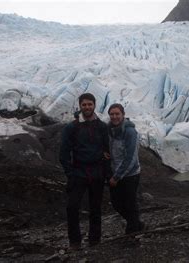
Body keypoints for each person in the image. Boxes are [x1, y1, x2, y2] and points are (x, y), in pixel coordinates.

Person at [60, 93, 109, 249]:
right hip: (79, 172)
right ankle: (75, 241)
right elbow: (64, 153)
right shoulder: (71, 128)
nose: (87, 107)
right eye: (84, 104)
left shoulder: (102, 127)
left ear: (94, 105)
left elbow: (107, 149)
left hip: (97, 172)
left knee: (95, 207)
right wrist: (70, 173)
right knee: (72, 207)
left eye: (90, 104)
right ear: (80, 106)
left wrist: (106, 171)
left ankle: (95, 239)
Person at [107, 103, 144, 234]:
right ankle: (136, 224)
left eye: (117, 114)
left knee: (130, 203)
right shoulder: (110, 130)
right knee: (117, 203)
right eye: (112, 114)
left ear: (123, 115)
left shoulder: (130, 132)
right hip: (115, 172)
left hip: (130, 175)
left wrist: (117, 176)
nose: (114, 116)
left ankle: (132, 232)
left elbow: (131, 158)